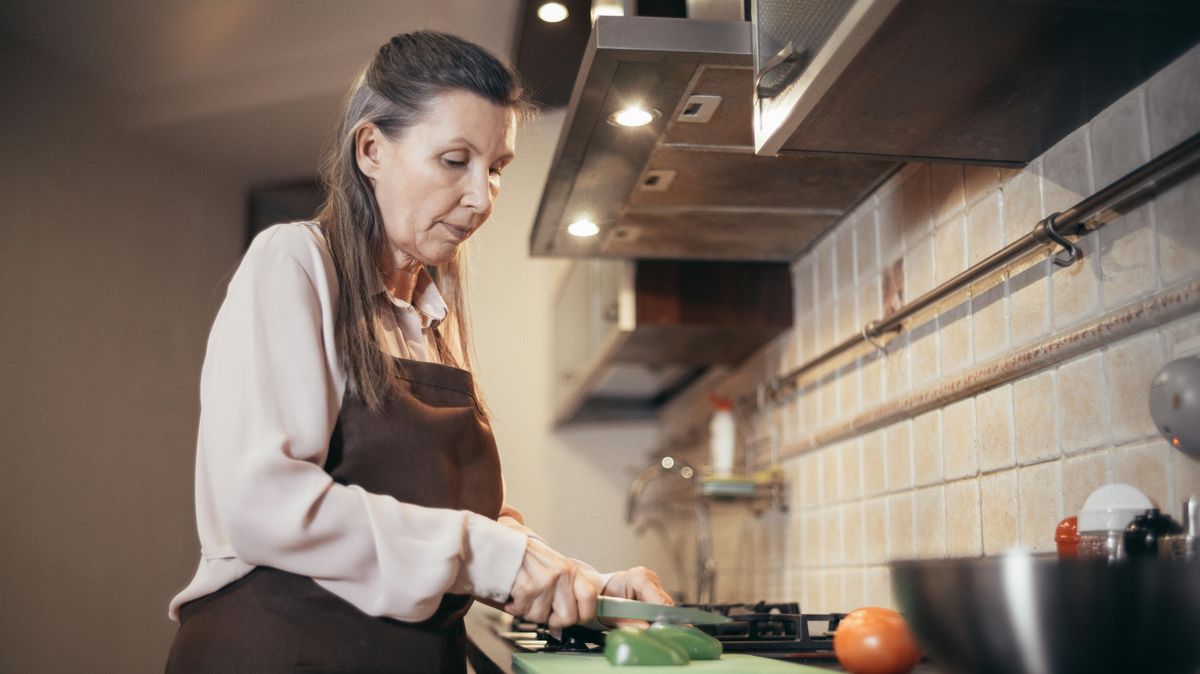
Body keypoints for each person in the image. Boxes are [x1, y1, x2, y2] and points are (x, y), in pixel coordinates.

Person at [165, 31, 671, 673]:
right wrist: (499, 557)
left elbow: (468, 524)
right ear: (372, 149)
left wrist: (581, 584)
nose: (482, 198)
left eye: (495, 170)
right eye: (455, 160)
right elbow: (266, 505)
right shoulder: (294, 262)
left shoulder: (431, 316)